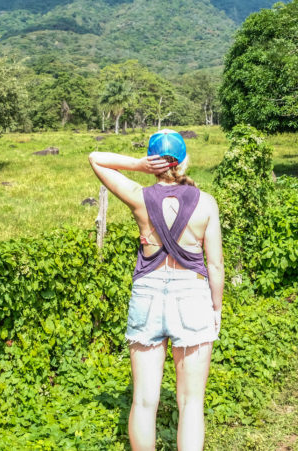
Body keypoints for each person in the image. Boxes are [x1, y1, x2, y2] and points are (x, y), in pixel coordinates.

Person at [88, 129, 224, 451]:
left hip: (147, 295)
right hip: (192, 296)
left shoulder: (139, 196)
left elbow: (96, 159)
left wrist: (138, 165)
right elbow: (215, 266)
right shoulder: (206, 203)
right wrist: (216, 310)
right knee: (191, 403)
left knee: (144, 401)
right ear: (185, 160)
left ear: (154, 162)